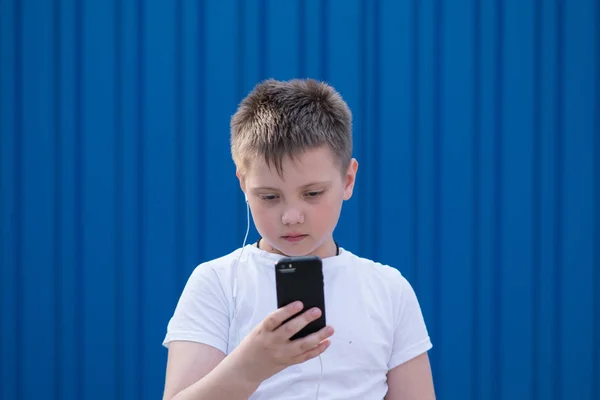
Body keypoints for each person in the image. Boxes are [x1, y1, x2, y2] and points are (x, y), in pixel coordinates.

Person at [162, 78, 435, 399]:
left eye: (312, 193)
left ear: (348, 179)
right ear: (243, 184)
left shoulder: (389, 290)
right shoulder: (218, 283)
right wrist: (251, 365)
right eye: (269, 197)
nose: (291, 216)